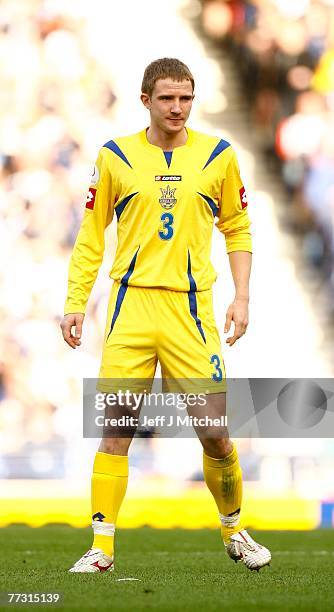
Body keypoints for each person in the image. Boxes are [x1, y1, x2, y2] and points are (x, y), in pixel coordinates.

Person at [60, 58, 271, 573]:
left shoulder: (218, 156)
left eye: (186, 98)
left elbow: (237, 229)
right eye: (167, 99)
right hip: (130, 308)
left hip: (191, 311)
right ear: (145, 101)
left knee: (214, 432)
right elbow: (91, 236)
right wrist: (74, 301)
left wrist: (241, 297)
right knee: (117, 427)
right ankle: (102, 546)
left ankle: (234, 530)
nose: (177, 108)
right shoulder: (115, 157)